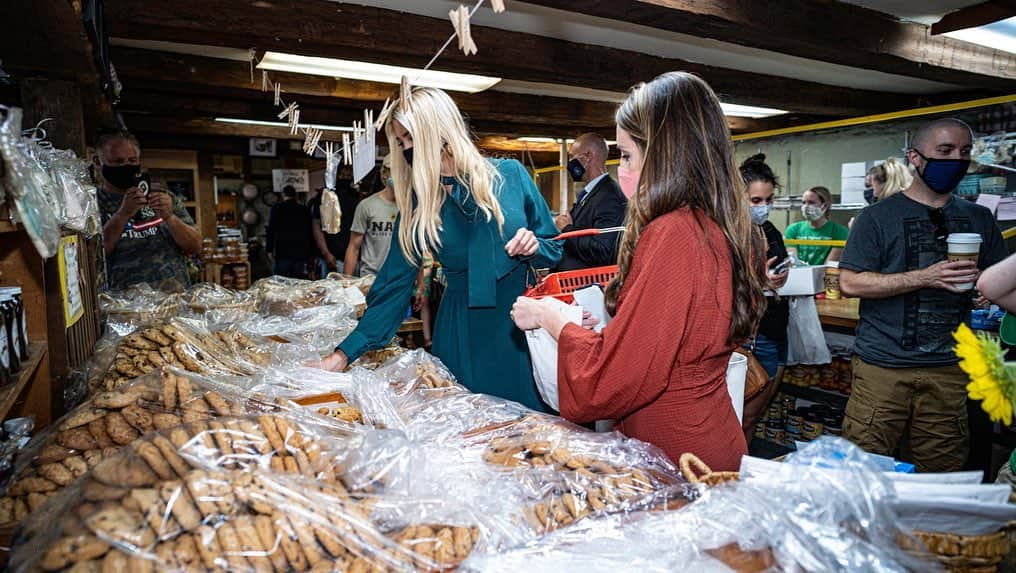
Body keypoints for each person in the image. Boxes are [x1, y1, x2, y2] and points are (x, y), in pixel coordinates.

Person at [509, 72, 767, 470]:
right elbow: (673, 338)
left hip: (674, 452)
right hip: (707, 435)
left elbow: (616, 377)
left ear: (665, 155)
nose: (622, 170)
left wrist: (552, 318)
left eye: (627, 156)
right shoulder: (728, 223)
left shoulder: (675, 231)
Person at [318, 87, 563, 412]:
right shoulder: (420, 203)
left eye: (409, 140)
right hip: (460, 332)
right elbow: (392, 287)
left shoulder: (511, 176)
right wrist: (342, 354)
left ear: (437, 132)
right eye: (401, 143)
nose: (406, 151)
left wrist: (533, 246)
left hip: (519, 328)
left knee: (531, 438)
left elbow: (552, 248)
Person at [839, 117, 1007, 473]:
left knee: (941, 472)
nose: (956, 161)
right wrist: (925, 277)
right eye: (944, 151)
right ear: (915, 158)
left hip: (948, 368)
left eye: (964, 152)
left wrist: (983, 290)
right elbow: (851, 282)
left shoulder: (979, 218)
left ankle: (927, 533)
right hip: (883, 367)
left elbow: (998, 280)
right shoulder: (876, 217)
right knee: (864, 470)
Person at [94, 130, 201, 291]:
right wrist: (122, 214)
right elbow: (94, 255)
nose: (126, 166)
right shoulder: (92, 203)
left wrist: (170, 217)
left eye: (132, 160)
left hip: (174, 301)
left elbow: (195, 246)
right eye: (117, 162)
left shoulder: (164, 197)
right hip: (123, 306)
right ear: (97, 161)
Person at [739, 154, 790, 440]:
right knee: (741, 418)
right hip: (747, 336)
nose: (764, 207)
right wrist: (759, 282)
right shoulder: (728, 233)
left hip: (773, 329)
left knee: (754, 416)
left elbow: (776, 268)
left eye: (769, 200)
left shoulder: (770, 231)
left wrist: (779, 277)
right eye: (756, 201)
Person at [554, 133, 627, 270]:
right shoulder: (591, 193)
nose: (569, 163)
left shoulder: (609, 197)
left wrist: (567, 230)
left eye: (572, 157)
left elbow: (603, 250)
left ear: (587, 156)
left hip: (588, 287)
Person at [344, 155, 399, 277]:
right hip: (371, 279)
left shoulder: (410, 207)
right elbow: (354, 247)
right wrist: (345, 283)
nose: (400, 176)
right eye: (395, 171)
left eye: (403, 171)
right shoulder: (367, 206)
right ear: (385, 174)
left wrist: (421, 283)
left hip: (399, 280)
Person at [309, 166, 360, 276]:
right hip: (332, 256)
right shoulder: (325, 195)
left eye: (348, 172)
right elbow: (316, 225)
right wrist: (326, 253)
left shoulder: (355, 195)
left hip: (354, 256)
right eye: (342, 173)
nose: (345, 175)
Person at [785, 186, 849, 265]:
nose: (806, 207)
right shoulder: (793, 229)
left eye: (811, 202)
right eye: (804, 203)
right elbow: (793, 263)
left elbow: (828, 267)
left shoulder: (840, 232)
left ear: (824, 206)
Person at [265, 185, 313, 278]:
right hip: (300, 252)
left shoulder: (277, 208)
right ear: (296, 195)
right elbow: (310, 232)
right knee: (297, 283)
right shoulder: (304, 209)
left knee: (280, 282)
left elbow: (271, 230)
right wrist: (311, 253)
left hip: (282, 251)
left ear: (283, 195)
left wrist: (269, 249)